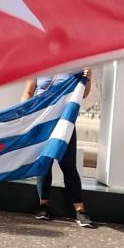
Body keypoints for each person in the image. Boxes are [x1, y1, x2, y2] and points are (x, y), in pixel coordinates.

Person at [21, 69, 94, 227]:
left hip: (63, 122)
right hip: (41, 120)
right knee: (44, 163)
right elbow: (28, 92)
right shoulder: (39, 64)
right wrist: (24, 116)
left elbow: (84, 93)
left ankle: (80, 210)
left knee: (68, 165)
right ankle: (43, 205)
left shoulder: (78, 66)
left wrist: (87, 79)